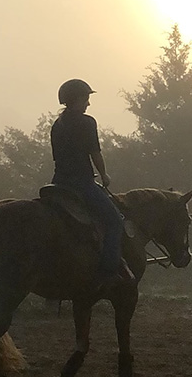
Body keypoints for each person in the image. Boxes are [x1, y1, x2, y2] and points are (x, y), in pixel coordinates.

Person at [50, 79, 133, 290]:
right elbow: (94, 152)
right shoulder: (87, 123)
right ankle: (108, 273)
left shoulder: (57, 126)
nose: (88, 104)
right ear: (77, 99)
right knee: (115, 222)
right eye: (86, 99)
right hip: (81, 184)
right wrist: (104, 174)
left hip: (58, 184)